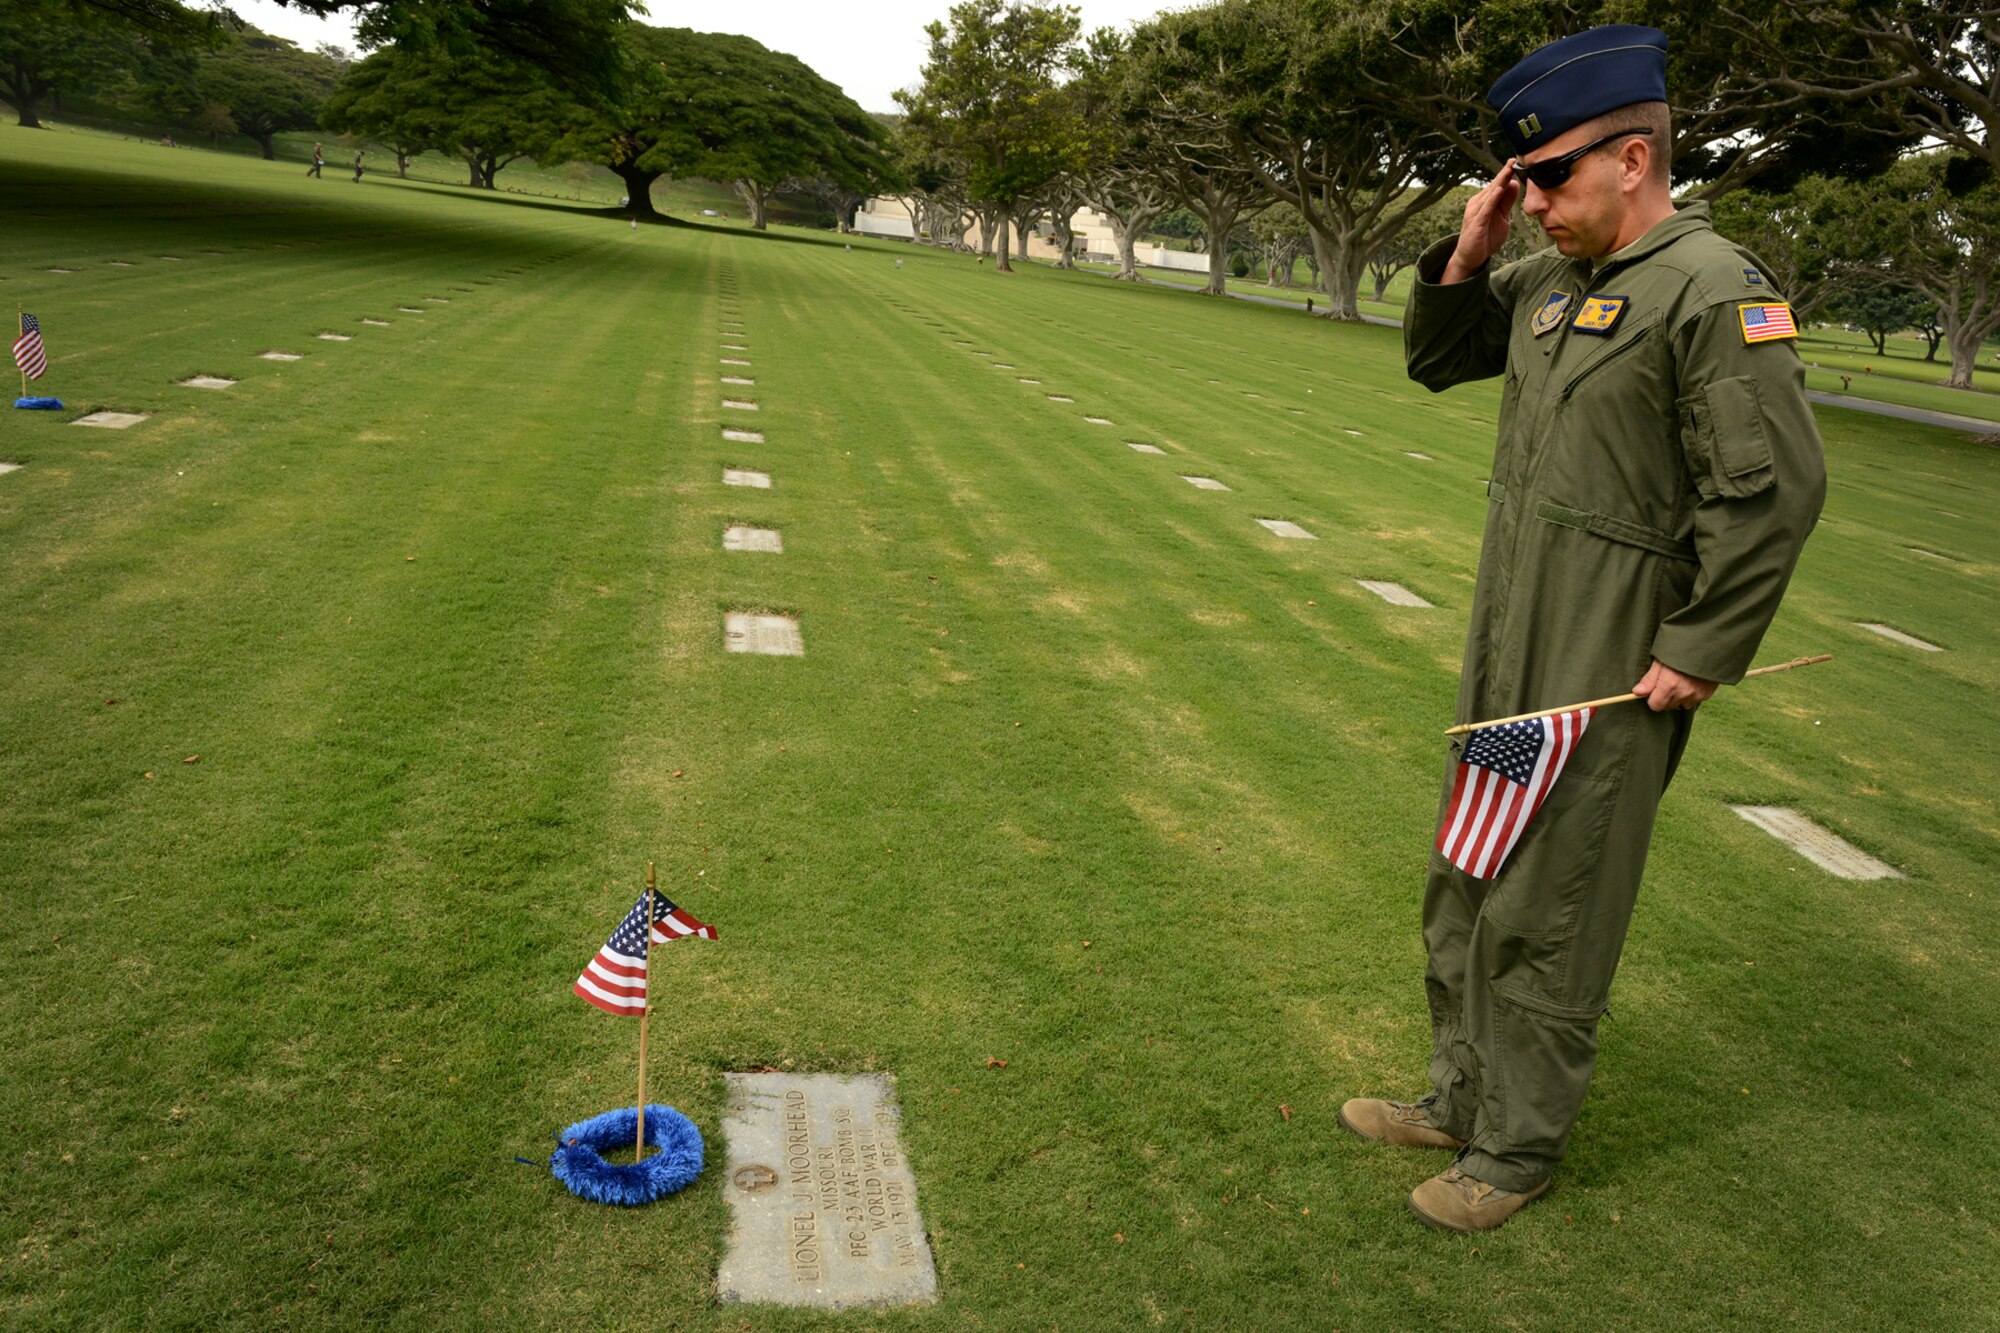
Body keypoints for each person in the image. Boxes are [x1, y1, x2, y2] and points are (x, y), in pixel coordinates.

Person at [1339, 25, 1826, 1233]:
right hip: (1510, 635)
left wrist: (1699, 645)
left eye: (1546, 175)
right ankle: (1457, 1096)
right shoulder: (1553, 276)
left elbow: (1767, 492)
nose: (1532, 199)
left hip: (1606, 655)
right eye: (1519, 180)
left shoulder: (1713, 290)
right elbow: (1439, 361)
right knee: (1469, 872)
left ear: (1632, 157)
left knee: (1550, 904)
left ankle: (1512, 1150)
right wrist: (1467, 249)